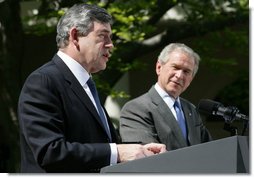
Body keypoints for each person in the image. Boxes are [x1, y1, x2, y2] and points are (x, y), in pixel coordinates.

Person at [17, 4, 166, 173]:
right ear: (75, 36)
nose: (111, 45)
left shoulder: (87, 85)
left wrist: (140, 150)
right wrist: (117, 152)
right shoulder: (43, 81)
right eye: (103, 36)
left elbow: (98, 144)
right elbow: (50, 152)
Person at [120, 43, 212, 151]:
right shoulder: (136, 109)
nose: (179, 75)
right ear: (159, 67)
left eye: (186, 71)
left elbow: (209, 150)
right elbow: (146, 157)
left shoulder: (190, 109)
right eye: (175, 67)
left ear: (191, 78)